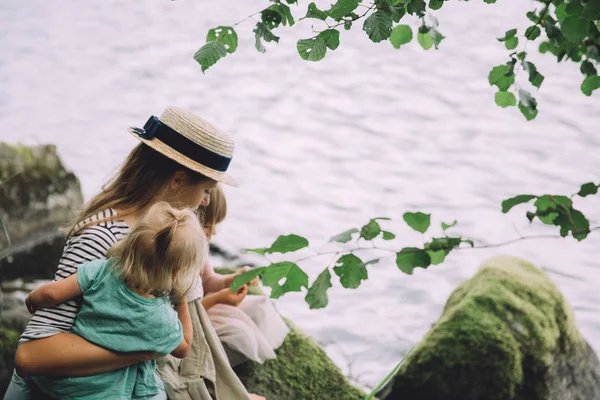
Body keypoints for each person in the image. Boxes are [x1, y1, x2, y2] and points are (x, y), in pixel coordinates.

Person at [6, 107, 266, 400]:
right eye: (206, 189)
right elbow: (31, 357)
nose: (206, 201)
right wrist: (147, 346)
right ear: (177, 180)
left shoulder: (172, 237)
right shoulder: (102, 239)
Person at [25, 203, 205, 399]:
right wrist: (180, 303)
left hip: (65, 383)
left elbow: (52, 294)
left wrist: (33, 298)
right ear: (177, 273)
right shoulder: (161, 319)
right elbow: (184, 348)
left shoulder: (104, 269)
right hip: (106, 394)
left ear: (132, 240)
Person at [197, 185, 289, 367]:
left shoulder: (199, 249)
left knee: (260, 307)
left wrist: (232, 280)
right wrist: (215, 300)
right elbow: (177, 313)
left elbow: (207, 281)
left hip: (201, 308)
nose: (213, 232)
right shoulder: (176, 258)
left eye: (216, 225)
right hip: (187, 321)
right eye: (207, 225)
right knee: (239, 334)